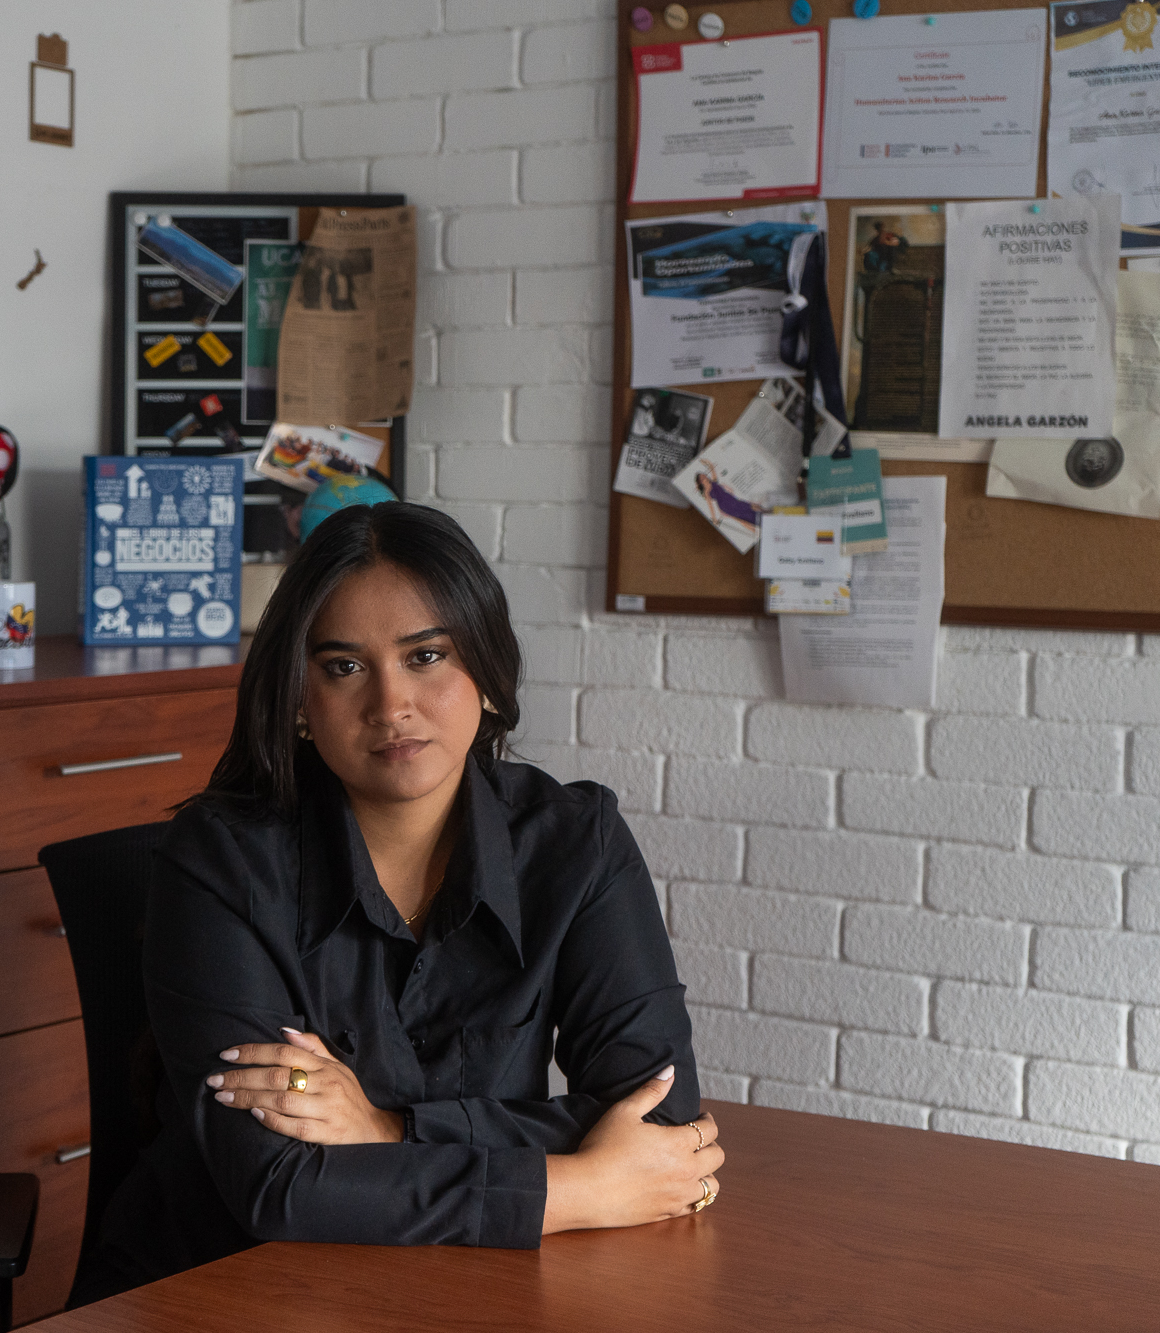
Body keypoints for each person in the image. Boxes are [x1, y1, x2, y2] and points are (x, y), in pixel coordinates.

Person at [75, 501, 719, 1303]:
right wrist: (580, 1187)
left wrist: (389, 1130)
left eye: (426, 655)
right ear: (299, 701)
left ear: (485, 671)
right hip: (221, 1290)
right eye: (344, 666)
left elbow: (661, 1117)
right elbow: (280, 1188)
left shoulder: (574, 843)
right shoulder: (222, 861)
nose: (390, 705)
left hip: (460, 1284)